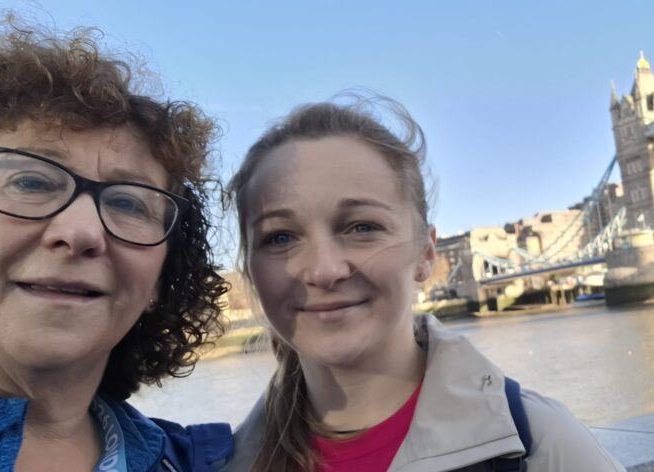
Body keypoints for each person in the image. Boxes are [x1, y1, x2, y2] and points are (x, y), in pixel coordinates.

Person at [223, 96, 623, 471]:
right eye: (280, 237)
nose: (324, 270)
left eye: (362, 227)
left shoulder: (541, 447)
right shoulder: (224, 462)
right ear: (252, 273)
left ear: (426, 255)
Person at [0, 18, 232, 472]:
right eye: (30, 180)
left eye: (129, 204)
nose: (81, 232)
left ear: (160, 276)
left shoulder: (205, 461)